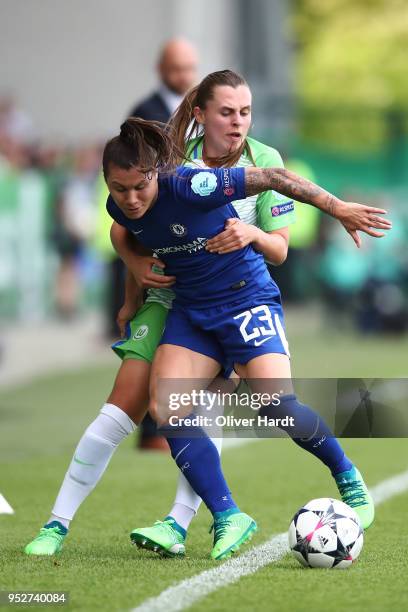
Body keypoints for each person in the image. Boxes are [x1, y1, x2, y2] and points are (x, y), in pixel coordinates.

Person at [23, 73, 390, 560]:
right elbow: (126, 231)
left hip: (246, 301)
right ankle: (227, 516)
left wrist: (335, 206)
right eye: (120, 189)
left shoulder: (193, 182)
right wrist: (132, 292)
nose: (130, 198)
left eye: (244, 113)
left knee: (276, 406)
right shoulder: (126, 194)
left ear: (155, 175)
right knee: (167, 409)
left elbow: (278, 183)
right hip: (192, 311)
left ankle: (349, 478)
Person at [128, 38, 199, 451]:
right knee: (155, 333)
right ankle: (153, 431)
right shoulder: (146, 114)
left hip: (191, 241)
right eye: (176, 68)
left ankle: (169, 424)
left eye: (189, 68)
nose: (183, 76)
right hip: (157, 244)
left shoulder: (200, 113)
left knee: (185, 338)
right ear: (160, 69)